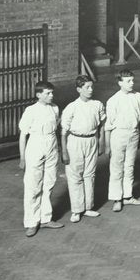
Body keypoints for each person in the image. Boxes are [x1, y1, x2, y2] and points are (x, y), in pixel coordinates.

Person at [18, 81, 65, 237]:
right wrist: (23, 158)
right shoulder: (30, 111)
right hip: (35, 145)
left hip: (51, 144)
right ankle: (31, 222)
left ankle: (45, 218)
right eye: (47, 93)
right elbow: (23, 135)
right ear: (38, 95)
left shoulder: (55, 108)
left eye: (52, 93)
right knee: (33, 186)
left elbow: (56, 128)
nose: (51, 96)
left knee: (49, 182)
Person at [60, 75, 105, 223]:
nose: (91, 90)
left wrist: (101, 142)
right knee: (75, 176)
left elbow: (102, 125)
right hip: (75, 142)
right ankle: (76, 209)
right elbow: (63, 132)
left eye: (92, 87)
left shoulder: (97, 104)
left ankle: (88, 207)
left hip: (91, 140)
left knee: (89, 174)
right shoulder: (71, 107)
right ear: (79, 89)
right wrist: (64, 152)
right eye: (87, 87)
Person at [105, 70, 140, 213]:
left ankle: (128, 196)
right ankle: (117, 198)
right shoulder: (113, 100)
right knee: (117, 168)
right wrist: (107, 145)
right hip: (118, 135)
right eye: (128, 81)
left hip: (133, 134)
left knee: (129, 166)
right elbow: (108, 126)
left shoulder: (139, 97)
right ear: (120, 82)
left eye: (132, 80)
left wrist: (139, 136)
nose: (132, 83)